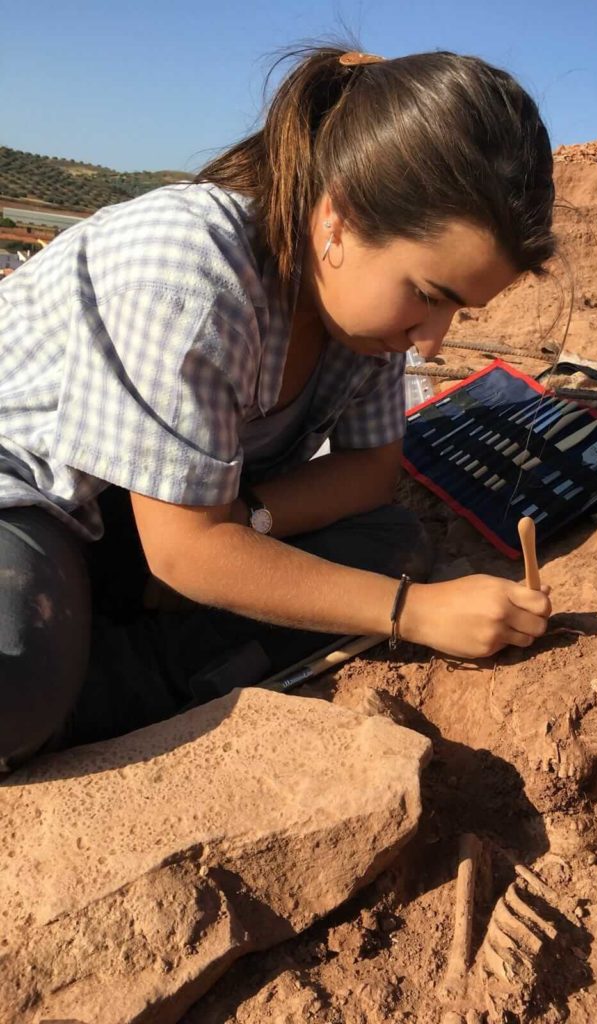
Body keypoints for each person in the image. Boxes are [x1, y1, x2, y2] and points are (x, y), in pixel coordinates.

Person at [0, 45, 554, 770]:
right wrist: (409, 614)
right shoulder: (191, 269)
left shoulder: (361, 323)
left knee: (391, 543)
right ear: (338, 221)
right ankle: (87, 681)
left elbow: (372, 471)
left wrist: (249, 517)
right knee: (14, 677)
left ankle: (109, 665)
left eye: (458, 311)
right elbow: (184, 548)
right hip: (34, 501)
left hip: (157, 524)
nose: (430, 341)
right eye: (428, 295)